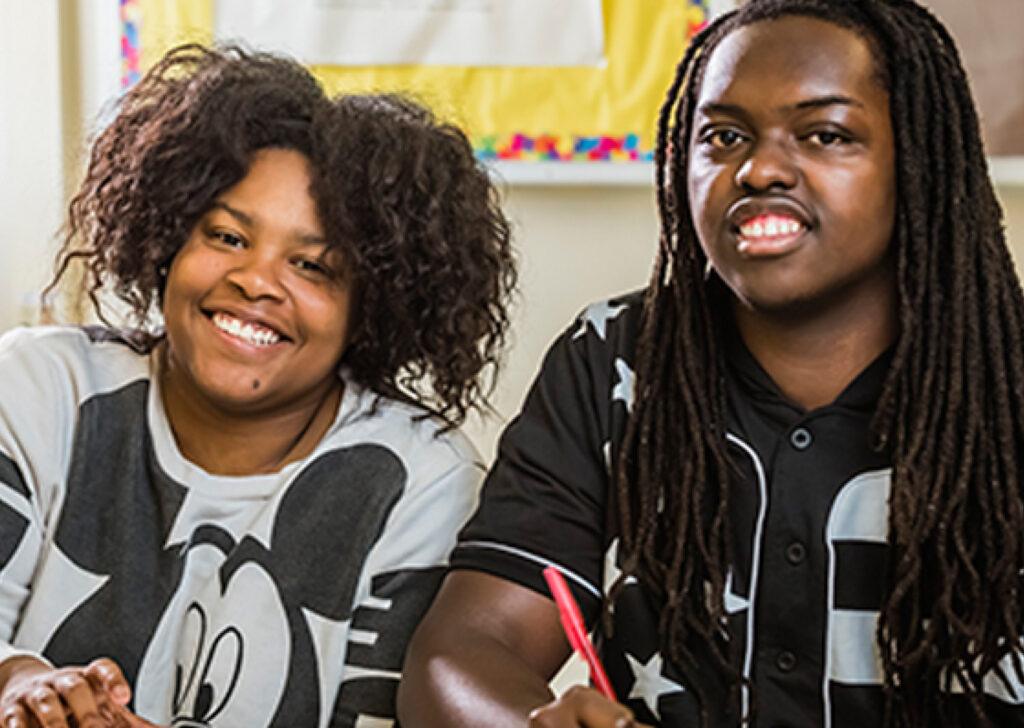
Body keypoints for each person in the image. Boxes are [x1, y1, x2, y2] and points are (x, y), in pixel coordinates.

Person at [397, 1, 1024, 726]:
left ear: (917, 161)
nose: (758, 169)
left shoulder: (1001, 378)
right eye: (723, 136)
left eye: (825, 134)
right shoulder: (613, 358)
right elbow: (460, 652)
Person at [0, 44, 515, 727]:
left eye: (312, 266)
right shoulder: (42, 387)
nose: (257, 280)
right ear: (167, 240)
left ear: (375, 306)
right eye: (227, 236)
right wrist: (17, 680)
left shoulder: (416, 480)